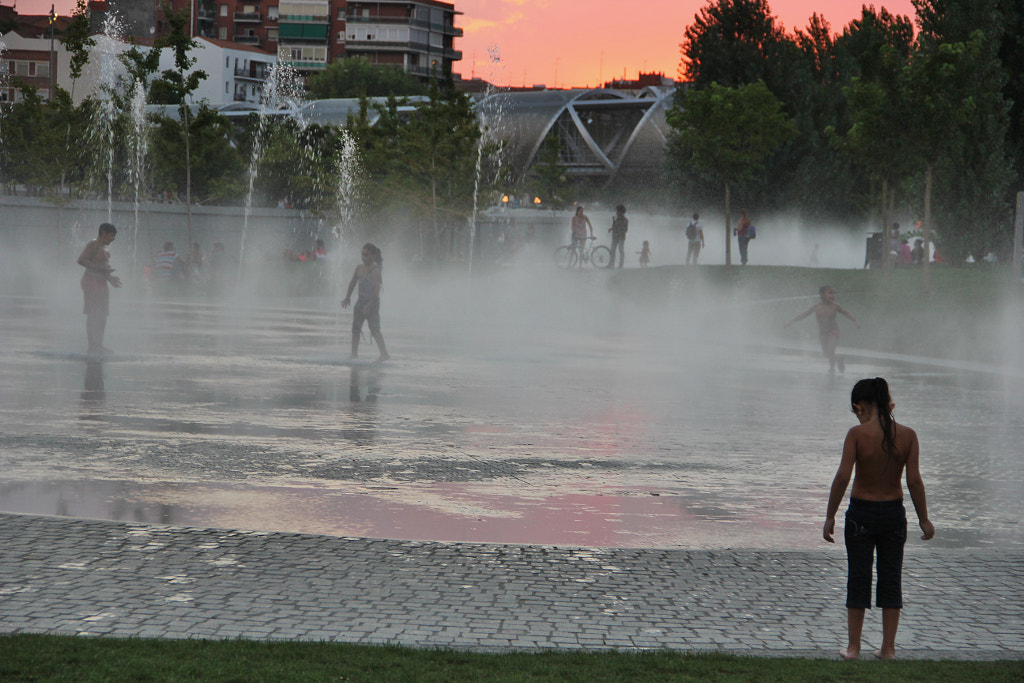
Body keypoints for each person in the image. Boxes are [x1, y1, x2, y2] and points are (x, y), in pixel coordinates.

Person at [824, 377, 934, 660]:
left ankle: (853, 647)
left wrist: (830, 516)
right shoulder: (908, 435)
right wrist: (924, 519)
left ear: (859, 406)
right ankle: (888, 648)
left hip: (861, 512)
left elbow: (842, 477)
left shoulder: (857, 435)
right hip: (894, 514)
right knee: (891, 578)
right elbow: (914, 481)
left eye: (856, 412)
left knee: (858, 577)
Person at [785, 285, 860, 375]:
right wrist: (791, 321)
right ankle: (838, 360)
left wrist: (855, 321)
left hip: (833, 331)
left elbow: (846, 313)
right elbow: (804, 315)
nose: (832, 296)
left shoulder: (835, 306)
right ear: (822, 294)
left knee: (830, 350)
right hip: (823, 333)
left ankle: (832, 368)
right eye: (830, 293)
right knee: (826, 354)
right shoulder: (816, 307)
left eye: (833, 293)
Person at [77, 223, 122, 355]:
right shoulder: (94, 244)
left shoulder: (104, 247)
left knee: (102, 315)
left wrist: (109, 277)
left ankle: (99, 345)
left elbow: (100, 265)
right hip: (91, 282)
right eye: (111, 236)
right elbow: (81, 260)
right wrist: (101, 269)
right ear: (103, 233)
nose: (113, 239)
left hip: (101, 282)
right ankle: (92, 346)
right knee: (93, 314)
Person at [341, 243, 390, 361]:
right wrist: (347, 297)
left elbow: (376, 291)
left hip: (372, 304)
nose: (364, 257)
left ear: (372, 256)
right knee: (355, 329)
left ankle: (384, 354)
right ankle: (354, 354)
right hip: (360, 302)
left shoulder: (375, 271)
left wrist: (369, 306)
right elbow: (353, 282)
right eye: (362, 254)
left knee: (375, 329)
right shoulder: (359, 268)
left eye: (366, 255)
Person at [608, 204, 628, 268]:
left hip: (621, 237)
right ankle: (611, 264)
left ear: (622, 212)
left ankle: (620, 265)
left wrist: (618, 233)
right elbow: (614, 226)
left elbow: (625, 230)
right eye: (616, 211)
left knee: (621, 250)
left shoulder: (625, 220)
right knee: (612, 250)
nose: (617, 212)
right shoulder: (615, 218)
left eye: (618, 211)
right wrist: (611, 229)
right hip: (614, 236)